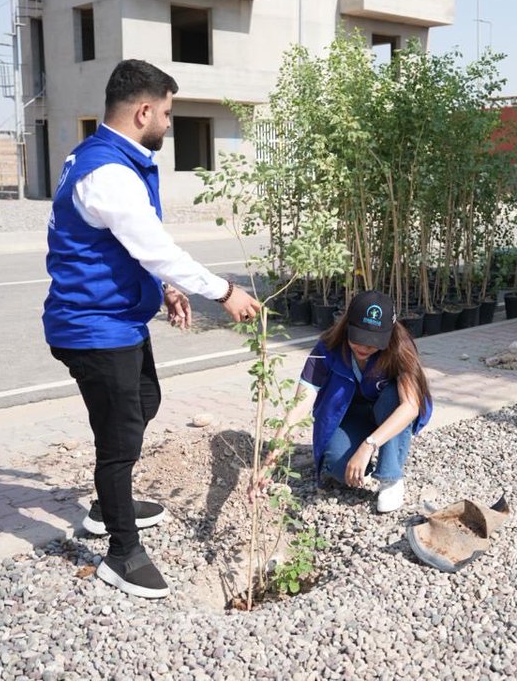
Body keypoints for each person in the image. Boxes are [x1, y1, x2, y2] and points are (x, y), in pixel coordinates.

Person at [44, 59, 261, 599]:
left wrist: (165, 286)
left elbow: (129, 244)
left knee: (145, 398)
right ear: (143, 111)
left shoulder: (109, 157)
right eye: (166, 113)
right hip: (94, 327)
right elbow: (156, 247)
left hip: (117, 321)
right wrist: (225, 292)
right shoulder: (109, 172)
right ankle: (121, 553)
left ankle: (106, 503)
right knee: (118, 442)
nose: (169, 122)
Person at [252, 290, 433, 513]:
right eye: (359, 338)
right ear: (346, 325)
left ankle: (390, 477)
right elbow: (299, 406)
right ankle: (363, 462)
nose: (365, 347)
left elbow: (411, 406)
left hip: (388, 410)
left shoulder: (400, 349)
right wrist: (270, 462)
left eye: (374, 342)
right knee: (339, 469)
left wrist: (369, 445)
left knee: (395, 397)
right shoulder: (326, 349)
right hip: (350, 416)